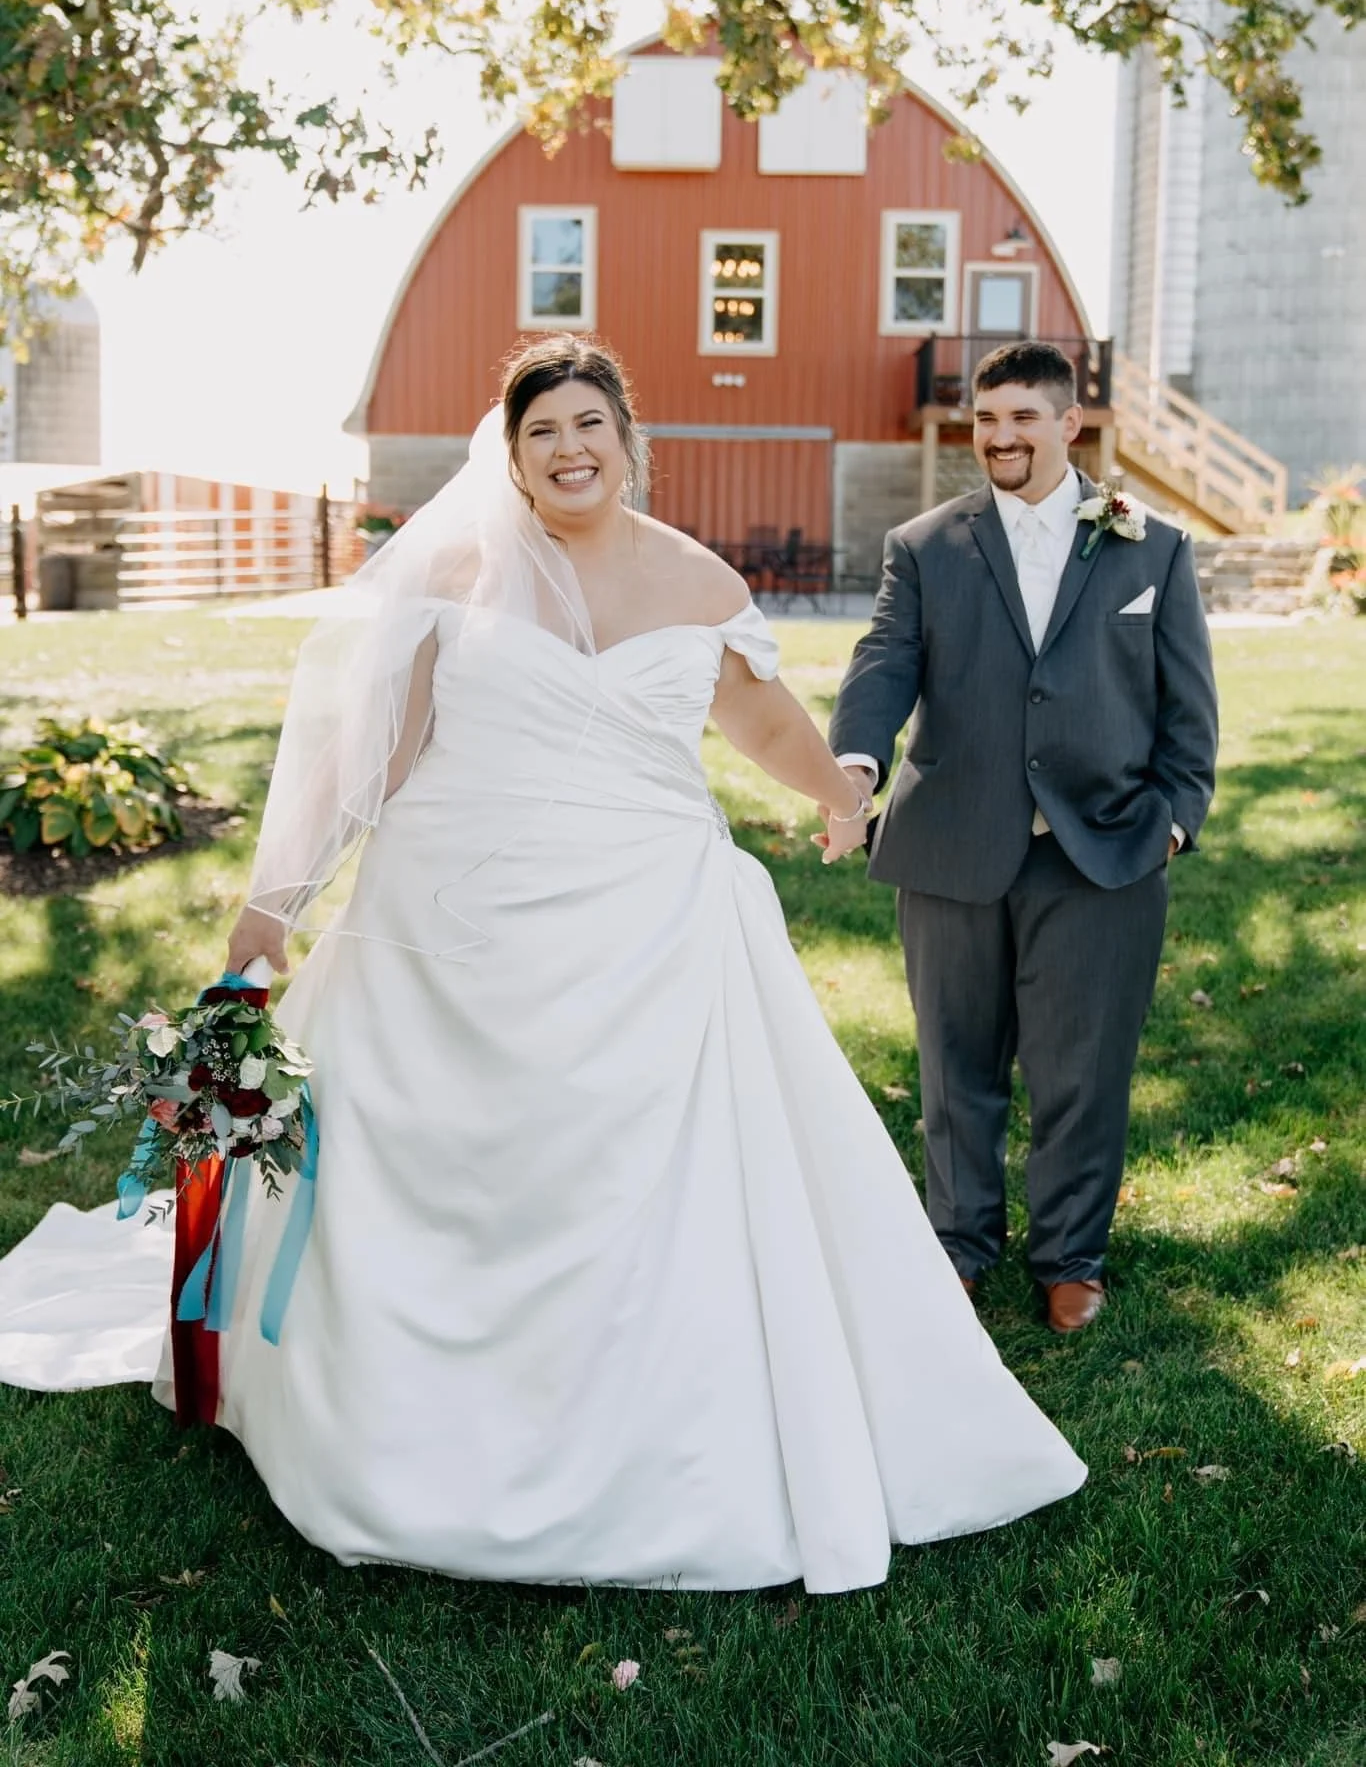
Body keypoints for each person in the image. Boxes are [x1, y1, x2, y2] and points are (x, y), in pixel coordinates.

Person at [0, 336, 1084, 1593]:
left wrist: (842, 784)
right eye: (542, 432)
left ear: (630, 439)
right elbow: (379, 758)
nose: (570, 449)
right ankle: (407, 1424)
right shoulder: (457, 573)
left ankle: (661, 1430)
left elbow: (764, 721)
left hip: (654, 922)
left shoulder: (693, 577)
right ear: (509, 457)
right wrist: (273, 905)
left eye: (590, 424)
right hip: (455, 922)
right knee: (443, 1160)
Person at [827, 340, 1219, 1334]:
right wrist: (855, 768)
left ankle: (1070, 1257)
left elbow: (1187, 708)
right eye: (986, 419)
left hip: (1107, 851)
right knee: (954, 1064)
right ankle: (958, 1245)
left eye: (1022, 418)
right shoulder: (923, 544)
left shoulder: (1152, 547)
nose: (999, 437)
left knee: (1082, 1072)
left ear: (1068, 423)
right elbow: (882, 665)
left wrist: (1174, 816)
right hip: (954, 844)